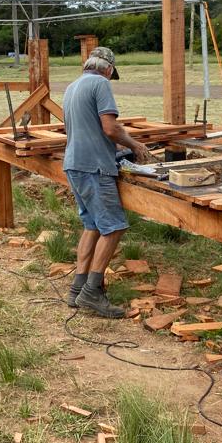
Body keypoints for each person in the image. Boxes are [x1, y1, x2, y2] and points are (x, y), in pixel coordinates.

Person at [63, 46, 156, 318]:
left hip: (74, 163)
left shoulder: (72, 87)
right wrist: (134, 145)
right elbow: (110, 128)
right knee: (114, 227)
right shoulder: (101, 84)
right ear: (108, 69)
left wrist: (113, 149)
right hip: (94, 167)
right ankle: (92, 292)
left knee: (92, 225)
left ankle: (77, 289)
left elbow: (85, 129)